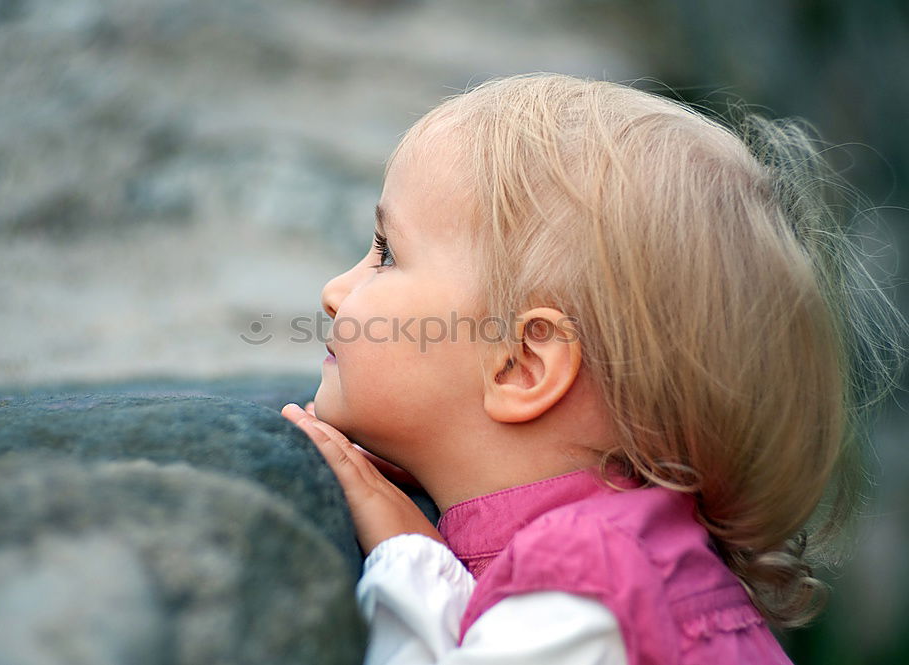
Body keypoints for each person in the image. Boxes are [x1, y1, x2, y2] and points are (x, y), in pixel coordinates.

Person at [280, 73, 902, 664]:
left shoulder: (582, 588)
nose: (336, 290)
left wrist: (405, 556)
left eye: (387, 254)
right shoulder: (629, 560)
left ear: (522, 364)